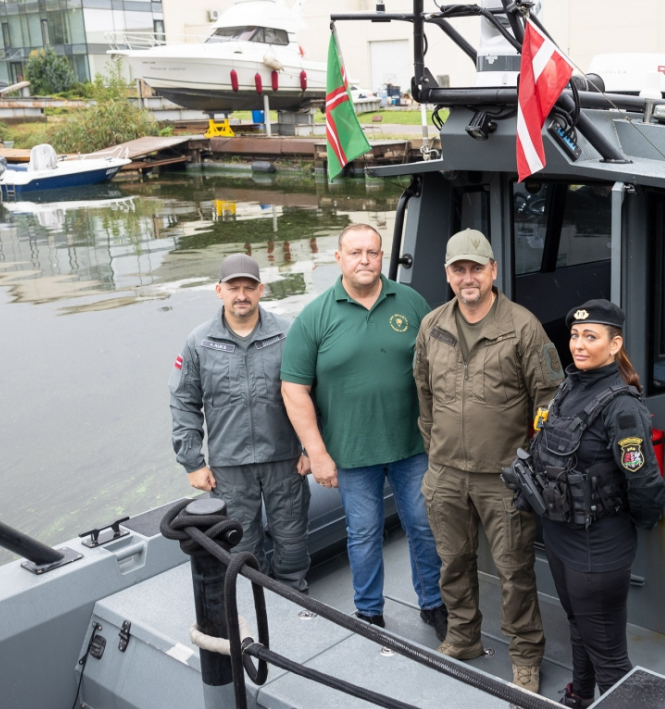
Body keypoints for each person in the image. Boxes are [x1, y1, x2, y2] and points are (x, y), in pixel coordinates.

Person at [414, 228, 564, 693]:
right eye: (459, 269)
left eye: (476, 268)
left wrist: (530, 463)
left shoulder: (523, 326)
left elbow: (550, 399)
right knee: (452, 563)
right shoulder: (432, 325)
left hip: (503, 477)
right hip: (445, 473)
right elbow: (424, 396)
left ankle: (525, 655)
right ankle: (463, 638)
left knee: (514, 571)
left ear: (493, 271)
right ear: (447, 274)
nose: (468, 277)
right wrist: (437, 452)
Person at [280, 224, 448, 638]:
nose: (365, 261)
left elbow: (437, 368)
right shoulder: (315, 316)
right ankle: (369, 612)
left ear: (381, 256)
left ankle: (433, 602)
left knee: (423, 526)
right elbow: (294, 388)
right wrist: (316, 452)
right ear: (338, 258)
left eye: (372, 252)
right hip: (352, 453)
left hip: (411, 446)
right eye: (355, 253)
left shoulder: (410, 303)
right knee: (365, 533)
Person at [515, 299, 665, 708]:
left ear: (615, 345)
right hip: (563, 538)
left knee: (611, 659)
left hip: (597, 548)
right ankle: (581, 694)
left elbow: (646, 484)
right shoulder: (569, 386)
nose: (578, 345)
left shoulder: (622, 407)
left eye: (591, 337)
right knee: (578, 626)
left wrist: (622, 527)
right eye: (575, 335)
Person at [170, 253, 311, 590]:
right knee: (242, 548)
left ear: (261, 289)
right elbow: (184, 403)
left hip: (285, 461)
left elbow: (314, 394)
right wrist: (192, 461)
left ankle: (294, 600)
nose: (242, 295)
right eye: (234, 288)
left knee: (292, 544)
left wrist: (311, 448)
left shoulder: (289, 334)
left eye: (249, 287)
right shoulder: (199, 343)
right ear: (219, 290)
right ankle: (255, 607)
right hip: (229, 468)